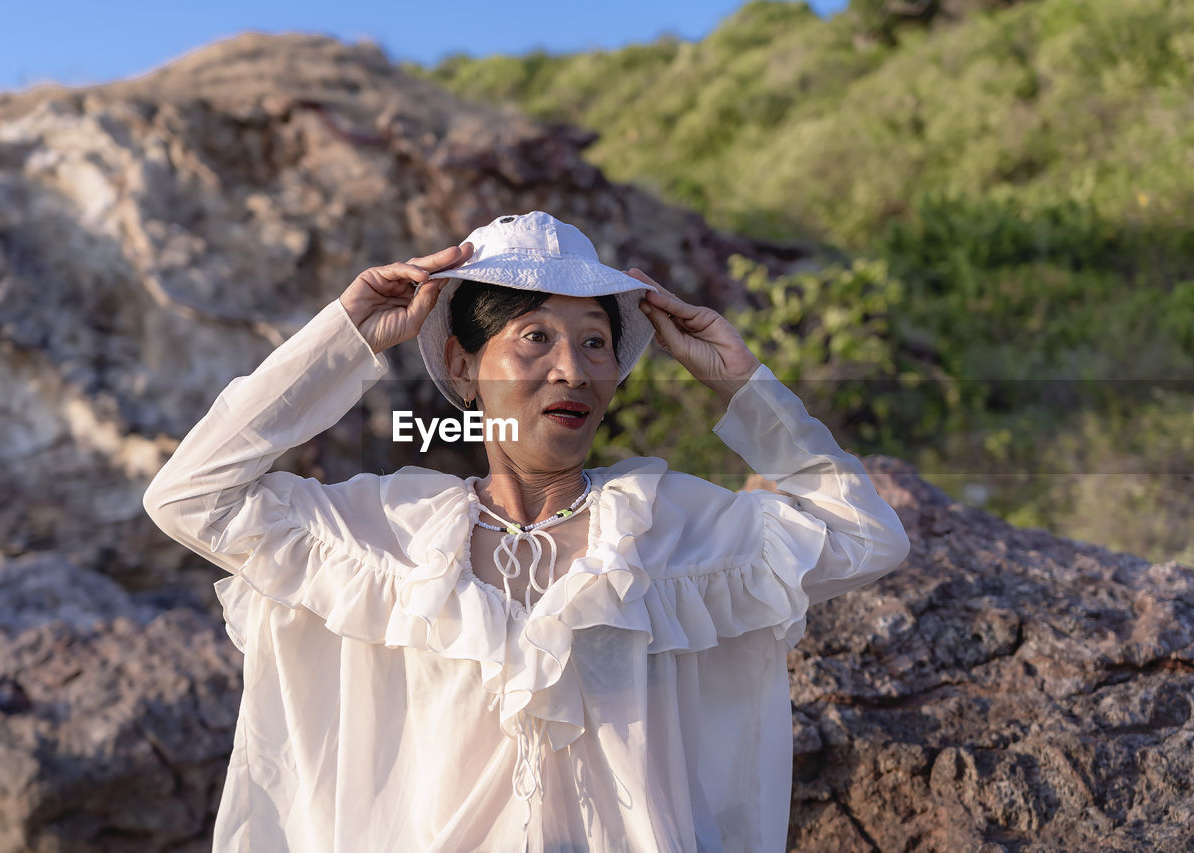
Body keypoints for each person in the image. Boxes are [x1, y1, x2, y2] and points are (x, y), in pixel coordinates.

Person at [142, 211, 911, 852]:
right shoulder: (384, 537)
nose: (572, 369)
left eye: (595, 341)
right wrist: (344, 337)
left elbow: (867, 535)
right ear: (462, 362)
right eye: (534, 337)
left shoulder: (672, 528)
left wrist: (740, 381)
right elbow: (191, 494)